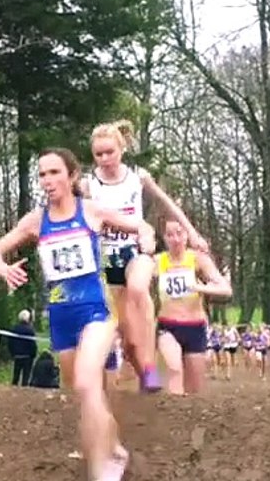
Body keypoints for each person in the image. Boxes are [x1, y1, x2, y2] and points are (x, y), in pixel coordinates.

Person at [0, 147, 156, 481]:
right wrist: (3, 269)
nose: (47, 181)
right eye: (42, 175)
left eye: (54, 173)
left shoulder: (90, 211)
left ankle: (101, 472)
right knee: (84, 392)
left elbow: (139, 223)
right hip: (60, 316)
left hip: (96, 311)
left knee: (85, 380)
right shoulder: (35, 221)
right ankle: (114, 447)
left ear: (72, 176)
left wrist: (147, 237)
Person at [80, 120, 207, 394]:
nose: (104, 159)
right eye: (98, 154)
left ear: (121, 150)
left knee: (139, 288)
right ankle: (144, 378)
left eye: (109, 152)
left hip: (137, 248)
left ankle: (149, 366)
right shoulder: (89, 184)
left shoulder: (138, 176)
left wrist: (193, 234)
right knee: (127, 335)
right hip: (109, 257)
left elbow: (168, 204)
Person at [152, 220, 233, 394]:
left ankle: (185, 418)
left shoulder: (197, 259)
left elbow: (226, 289)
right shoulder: (158, 261)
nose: (175, 239)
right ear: (164, 238)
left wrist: (200, 288)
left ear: (187, 235)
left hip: (195, 327)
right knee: (174, 369)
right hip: (167, 325)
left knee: (194, 391)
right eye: (170, 234)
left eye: (179, 233)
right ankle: (171, 411)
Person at [7, 310, 38, 386]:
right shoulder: (30, 330)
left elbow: (10, 342)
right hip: (27, 357)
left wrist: (12, 353)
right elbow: (32, 344)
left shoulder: (14, 329)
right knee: (25, 378)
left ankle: (12, 391)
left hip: (17, 356)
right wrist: (33, 355)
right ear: (28, 319)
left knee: (15, 376)